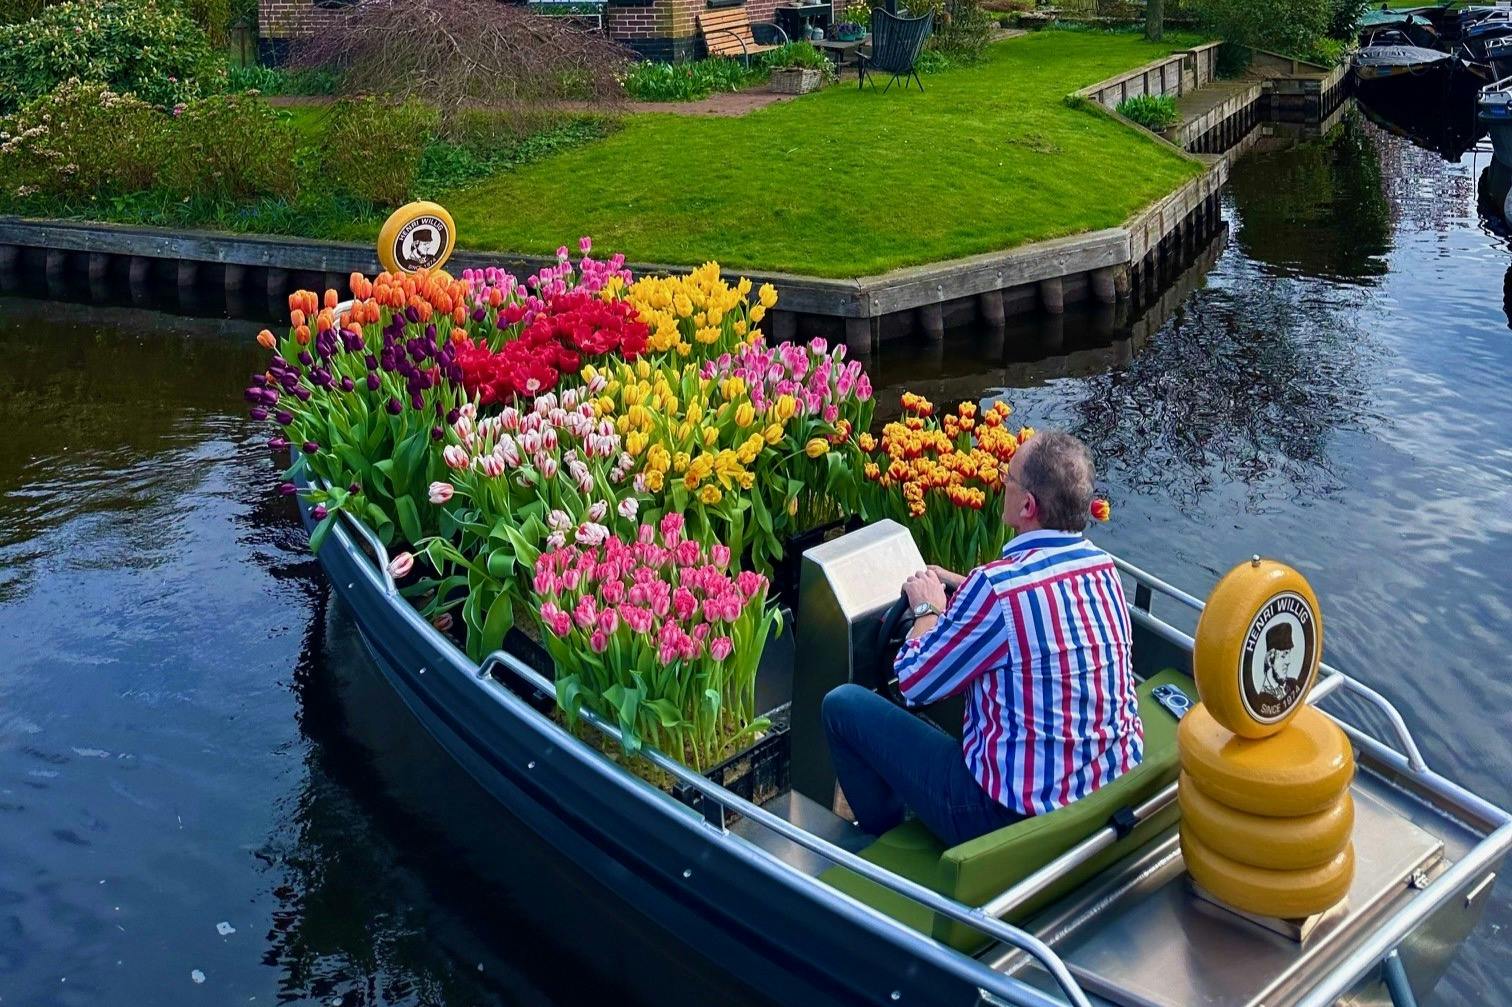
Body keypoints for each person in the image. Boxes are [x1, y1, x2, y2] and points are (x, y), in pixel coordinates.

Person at [822, 430, 1143, 847]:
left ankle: (885, 844)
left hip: (1001, 816)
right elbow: (1033, 621)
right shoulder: (1103, 570)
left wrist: (926, 608)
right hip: (1099, 793)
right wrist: (960, 586)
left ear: (1027, 505)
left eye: (1008, 479)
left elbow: (914, 685)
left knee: (842, 706)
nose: (1001, 485)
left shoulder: (998, 591)